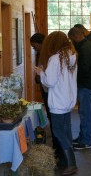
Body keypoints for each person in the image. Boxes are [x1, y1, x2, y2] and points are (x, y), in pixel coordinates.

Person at [33, 31, 78, 176]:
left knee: (59, 131)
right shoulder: (71, 56)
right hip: (68, 99)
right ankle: (69, 162)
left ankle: (71, 164)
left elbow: (50, 82)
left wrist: (41, 73)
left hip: (58, 101)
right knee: (66, 130)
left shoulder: (55, 58)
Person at [30, 33, 65, 164]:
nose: (35, 49)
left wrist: (41, 75)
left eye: (35, 46)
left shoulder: (51, 56)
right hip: (47, 90)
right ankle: (57, 148)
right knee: (52, 120)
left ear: (41, 43)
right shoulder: (45, 54)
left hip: (52, 91)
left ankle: (59, 150)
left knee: (56, 122)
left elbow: (49, 78)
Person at [68, 27, 91, 149]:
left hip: (88, 84)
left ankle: (86, 140)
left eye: (72, 39)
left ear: (76, 36)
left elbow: (84, 68)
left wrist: (72, 72)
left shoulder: (86, 47)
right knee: (83, 112)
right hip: (88, 83)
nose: (72, 42)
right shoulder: (85, 45)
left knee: (86, 113)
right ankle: (83, 136)